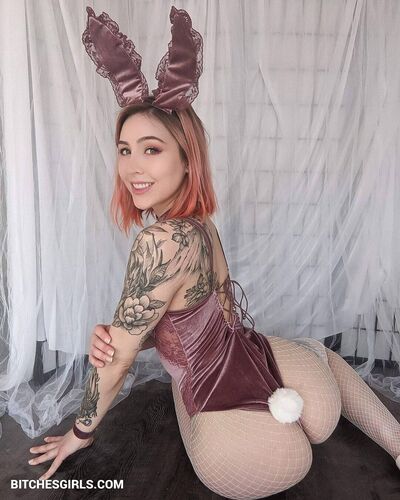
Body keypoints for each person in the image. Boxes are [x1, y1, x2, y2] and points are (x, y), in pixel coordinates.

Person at [28, 6, 400, 499]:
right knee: (319, 355)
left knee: (200, 416)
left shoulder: (160, 241)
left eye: (151, 149)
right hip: (282, 367)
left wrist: (81, 432)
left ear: (187, 159)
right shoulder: (200, 222)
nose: (132, 167)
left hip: (232, 411)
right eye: (124, 149)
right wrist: (127, 334)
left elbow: (119, 363)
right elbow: (209, 313)